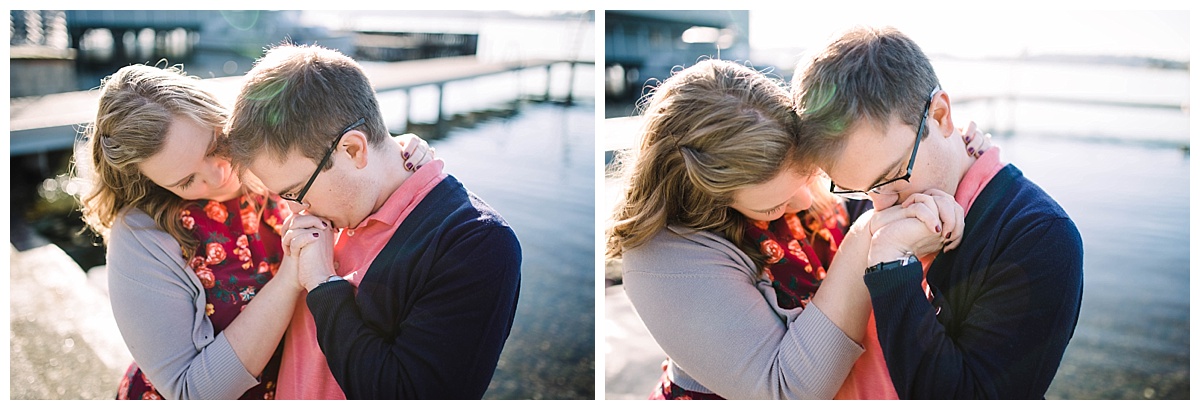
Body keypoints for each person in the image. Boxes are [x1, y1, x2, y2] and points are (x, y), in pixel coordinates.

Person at [605, 59, 988, 399]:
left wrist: (953, 158)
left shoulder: (790, 184)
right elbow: (785, 392)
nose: (806, 201)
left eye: (811, 174)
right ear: (705, 196)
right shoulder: (663, 257)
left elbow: (880, 190)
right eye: (774, 206)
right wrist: (866, 239)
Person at [75, 63, 433, 400]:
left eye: (216, 147)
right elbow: (190, 393)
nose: (219, 177)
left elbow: (341, 160)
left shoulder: (267, 162)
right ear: (148, 181)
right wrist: (290, 277)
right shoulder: (141, 237)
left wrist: (392, 156)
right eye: (186, 181)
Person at [791, 25, 1084, 399]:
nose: (879, 205)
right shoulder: (865, 193)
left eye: (894, 175)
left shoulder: (1038, 237)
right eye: (859, 188)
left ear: (942, 115)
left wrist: (891, 268)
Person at [224, 43, 522, 399]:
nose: (296, 210)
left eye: (296, 191)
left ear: (353, 149)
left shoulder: (474, 243)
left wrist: (322, 285)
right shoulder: (334, 201)